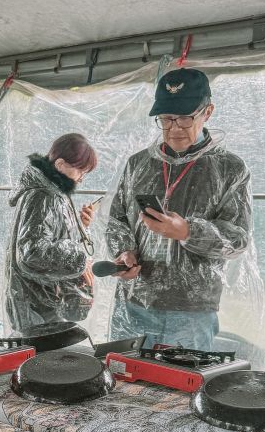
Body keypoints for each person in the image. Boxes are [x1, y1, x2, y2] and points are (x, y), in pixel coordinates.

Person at [106, 67, 252, 351]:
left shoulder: (229, 168)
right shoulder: (139, 164)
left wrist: (188, 231)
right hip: (134, 300)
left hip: (191, 309)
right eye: (166, 119)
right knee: (124, 380)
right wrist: (124, 252)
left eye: (185, 118)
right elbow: (117, 219)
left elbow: (237, 238)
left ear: (207, 112)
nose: (174, 129)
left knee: (181, 387)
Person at [5, 132, 98, 333]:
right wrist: (79, 259)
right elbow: (33, 253)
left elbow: (51, 238)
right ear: (61, 165)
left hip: (45, 302)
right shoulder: (42, 196)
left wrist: (80, 225)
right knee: (38, 361)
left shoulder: (54, 192)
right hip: (37, 305)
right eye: (80, 170)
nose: (81, 178)